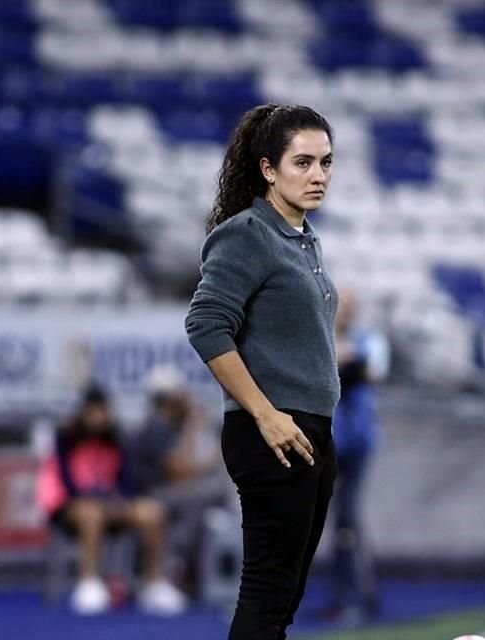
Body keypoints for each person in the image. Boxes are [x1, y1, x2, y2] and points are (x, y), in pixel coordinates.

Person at [185, 103, 340, 640]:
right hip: (273, 430)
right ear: (268, 169)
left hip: (310, 428)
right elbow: (206, 326)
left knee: (284, 597)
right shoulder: (247, 233)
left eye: (325, 162)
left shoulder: (302, 238)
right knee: (267, 592)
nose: (317, 175)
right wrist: (266, 413)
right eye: (303, 163)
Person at [36, 385, 187, 616]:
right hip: (70, 507)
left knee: (152, 512)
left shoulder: (117, 439)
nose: (98, 418)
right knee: (91, 513)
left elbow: (126, 480)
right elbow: (67, 481)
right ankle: (89, 583)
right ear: (84, 413)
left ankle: (154, 584)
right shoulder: (66, 437)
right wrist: (96, 500)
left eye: (102, 412)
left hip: (110, 505)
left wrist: (121, 500)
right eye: (93, 412)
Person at [321, 288, 389, 623]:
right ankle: (349, 594)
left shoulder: (367, 340)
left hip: (358, 440)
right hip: (333, 440)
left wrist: (346, 359)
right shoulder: (323, 337)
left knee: (348, 520)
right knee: (340, 521)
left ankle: (356, 595)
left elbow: (371, 369)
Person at [133, 365, 228, 593]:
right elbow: (180, 473)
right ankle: (175, 565)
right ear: (170, 399)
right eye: (181, 395)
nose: (187, 400)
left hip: (170, 493)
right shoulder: (156, 427)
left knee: (207, 498)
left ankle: (185, 567)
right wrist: (193, 427)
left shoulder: (169, 426)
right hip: (151, 493)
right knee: (207, 495)